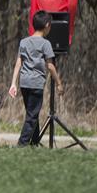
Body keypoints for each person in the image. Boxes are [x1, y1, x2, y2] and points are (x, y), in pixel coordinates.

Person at [8, 10, 63, 147]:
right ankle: (22, 144)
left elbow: (18, 63)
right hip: (36, 84)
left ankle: (34, 142)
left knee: (32, 113)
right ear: (47, 25)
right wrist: (59, 83)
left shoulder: (24, 42)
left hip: (24, 83)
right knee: (32, 116)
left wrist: (13, 84)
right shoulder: (45, 44)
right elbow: (50, 66)